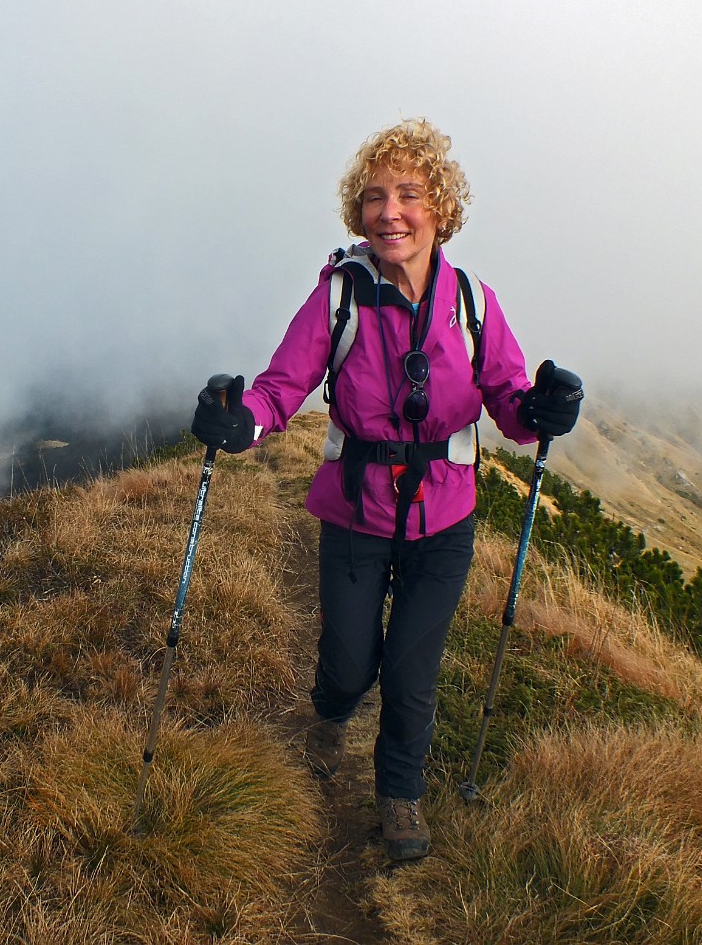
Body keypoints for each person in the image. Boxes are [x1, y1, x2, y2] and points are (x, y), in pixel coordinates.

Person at [190, 117, 581, 861]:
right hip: (355, 514)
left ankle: (400, 797)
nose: (389, 211)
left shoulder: (474, 303)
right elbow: (280, 390)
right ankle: (330, 714)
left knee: (410, 675)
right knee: (348, 662)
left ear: (440, 208)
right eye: (374, 197)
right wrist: (237, 424)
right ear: (358, 213)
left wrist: (544, 410)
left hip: (445, 523)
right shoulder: (339, 296)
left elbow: (509, 403)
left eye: (408, 194)